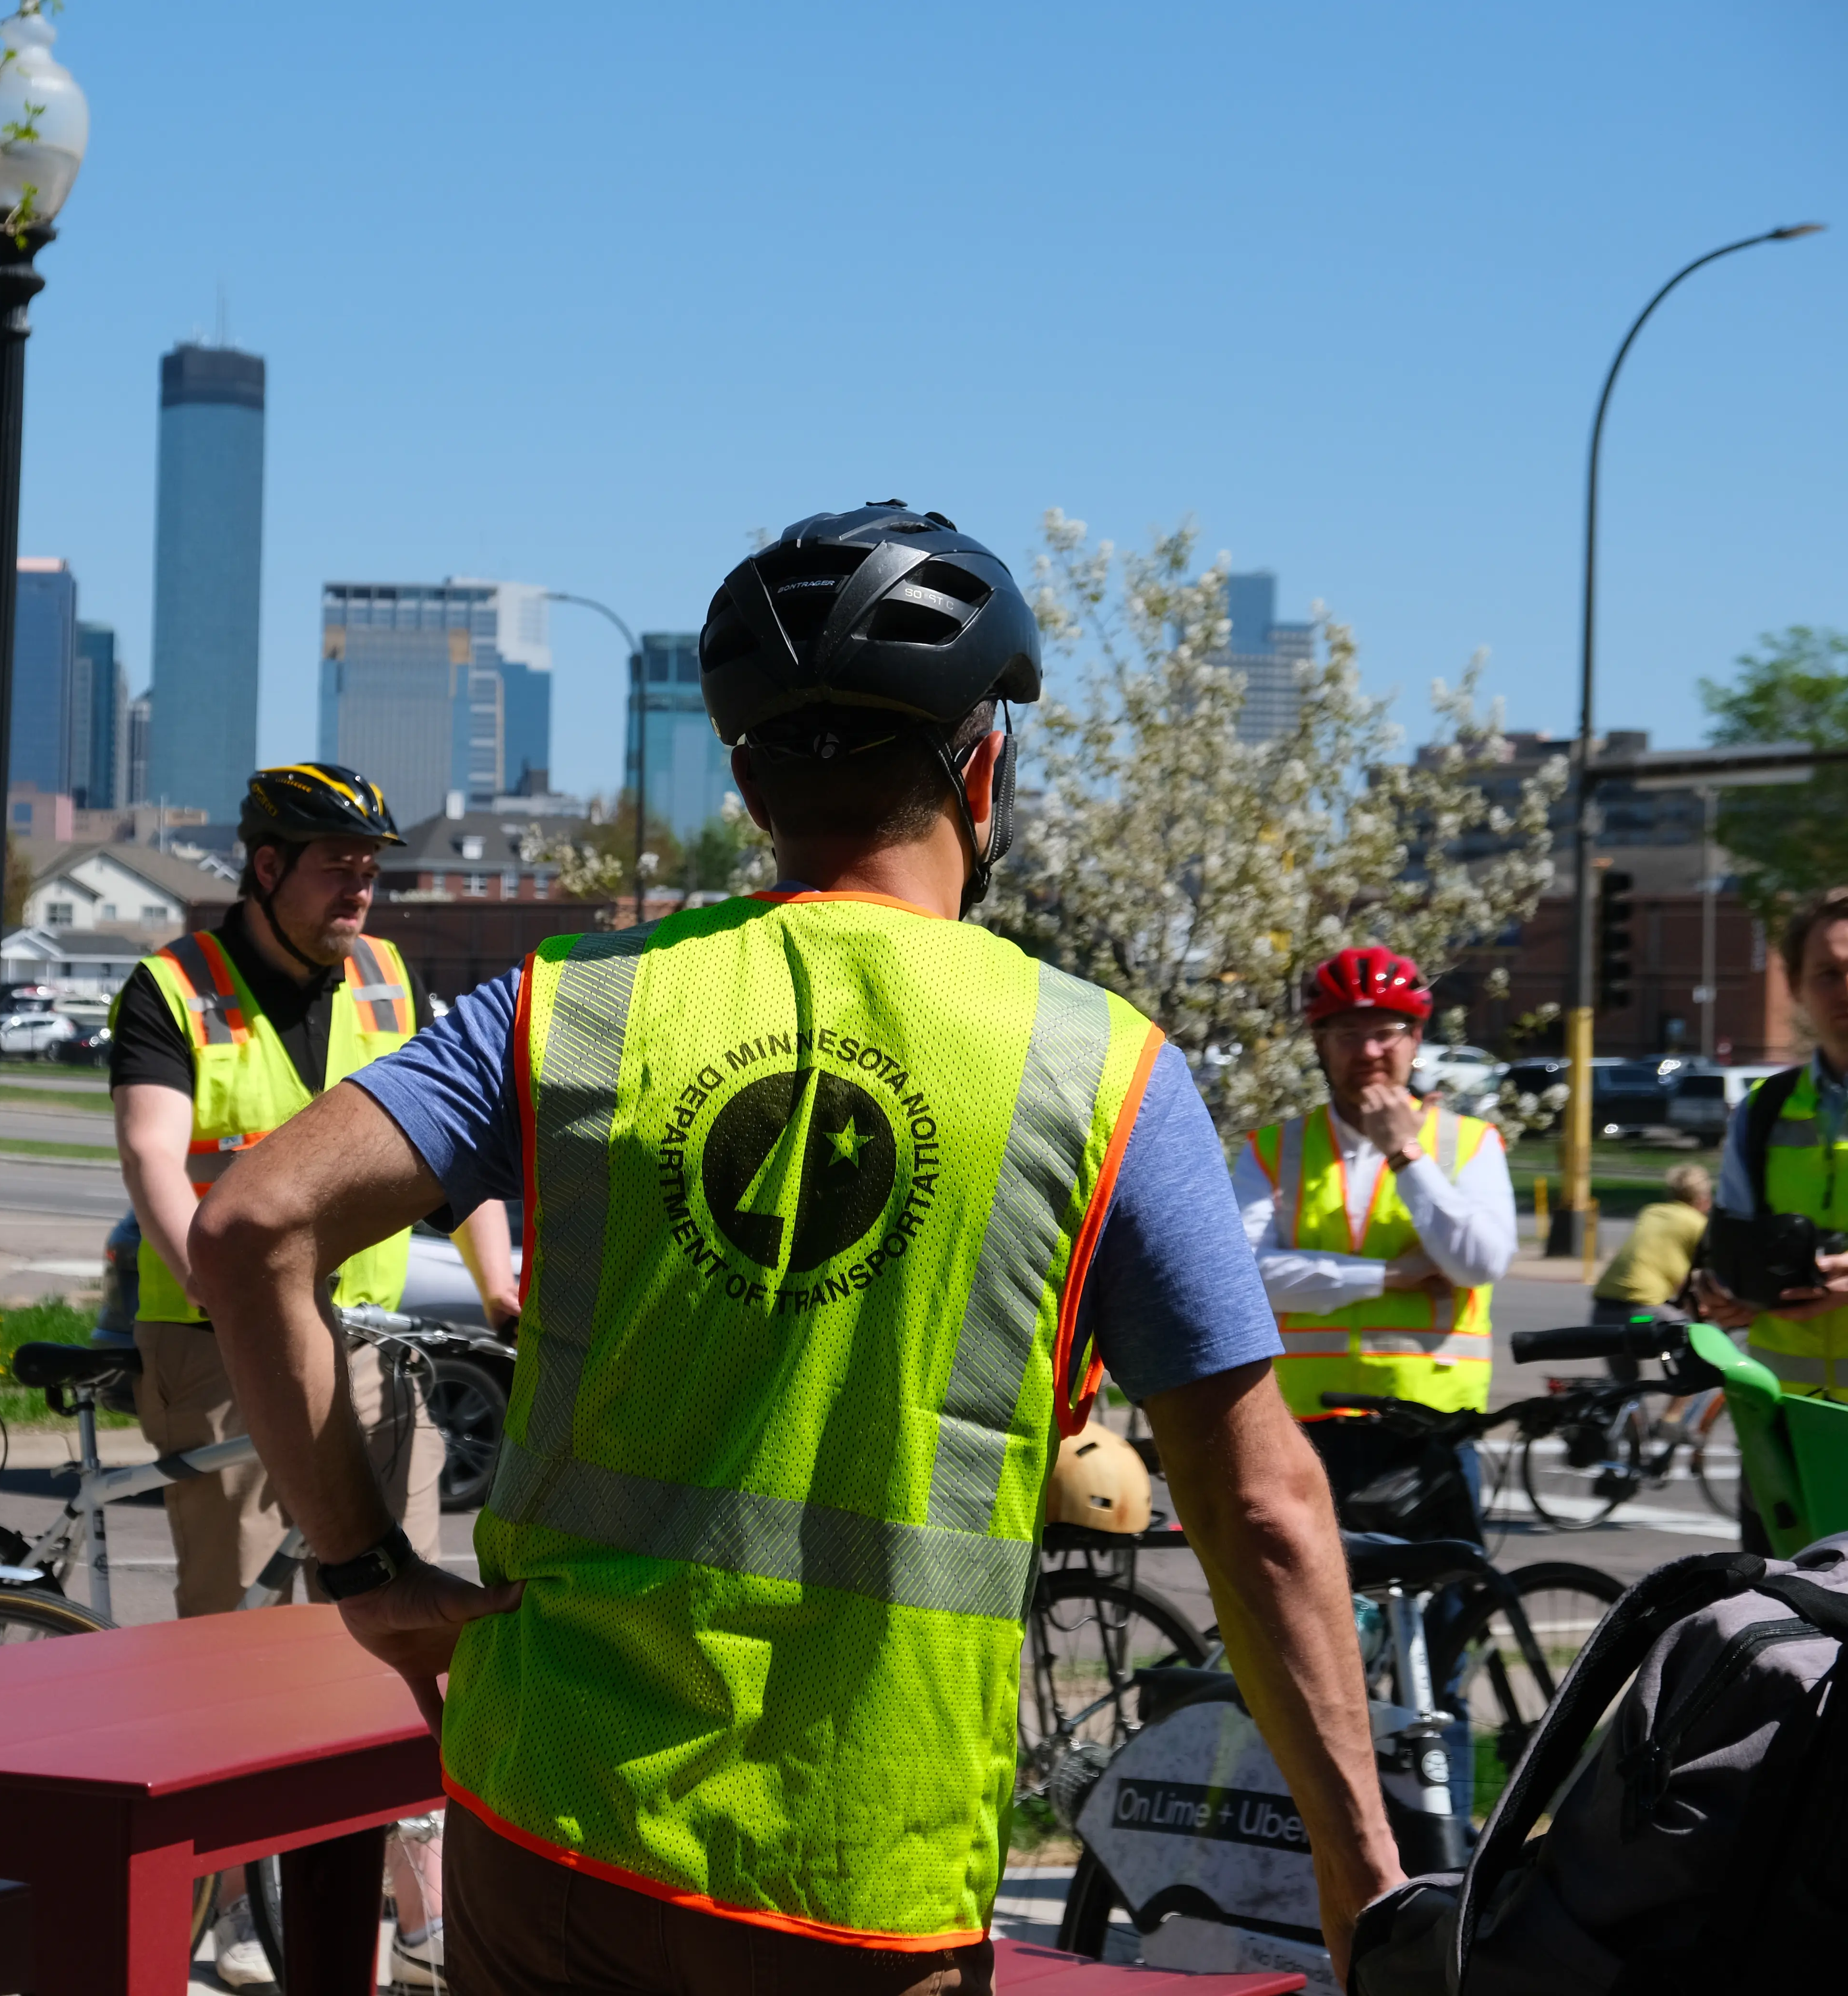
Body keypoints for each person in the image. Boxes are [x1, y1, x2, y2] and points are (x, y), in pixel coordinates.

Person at [194, 506, 1401, 1994]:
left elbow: (249, 1224)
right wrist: (1363, 1880)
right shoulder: (1103, 1073)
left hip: (552, 1823)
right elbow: (1262, 1507)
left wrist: (363, 1565)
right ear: (982, 763)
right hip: (860, 1872)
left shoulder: (570, 1007)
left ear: (748, 776)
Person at [106, 760, 512, 1988]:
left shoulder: (387, 981)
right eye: (340, 867)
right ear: (267, 866)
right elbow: (154, 1161)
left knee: (406, 1616)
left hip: (377, 1347)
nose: (362, 893)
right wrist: (235, 1302)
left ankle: (422, 1903)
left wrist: (501, 1281)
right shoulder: (173, 987)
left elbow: (465, 1152)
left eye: (373, 869)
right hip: (217, 1348)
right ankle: (233, 1911)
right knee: (235, 1628)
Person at [1232, 947, 1517, 1510]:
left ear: (1416, 1038)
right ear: (1319, 1042)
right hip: (1307, 1422)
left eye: (1386, 1032)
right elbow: (1243, 1278)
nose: (1368, 1051)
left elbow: (1479, 1263)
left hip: (1430, 1421)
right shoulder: (1273, 1149)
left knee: (1451, 1593)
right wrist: (1390, 1275)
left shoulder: (1470, 1143)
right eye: (1345, 1033)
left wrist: (1404, 1153)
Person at [1692, 887, 1848, 1401]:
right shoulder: (1765, 1108)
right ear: (1796, 987)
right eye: (1828, 973)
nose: (1845, 988)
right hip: (1788, 1426)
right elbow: (1730, 1244)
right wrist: (1721, 1290)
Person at [1593, 1163, 1713, 1318]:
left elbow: (1665, 1265)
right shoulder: (1698, 1224)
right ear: (1703, 1199)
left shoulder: (1651, 1212)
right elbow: (1710, 1276)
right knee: (1690, 1337)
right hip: (1642, 1304)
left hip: (1604, 1301)